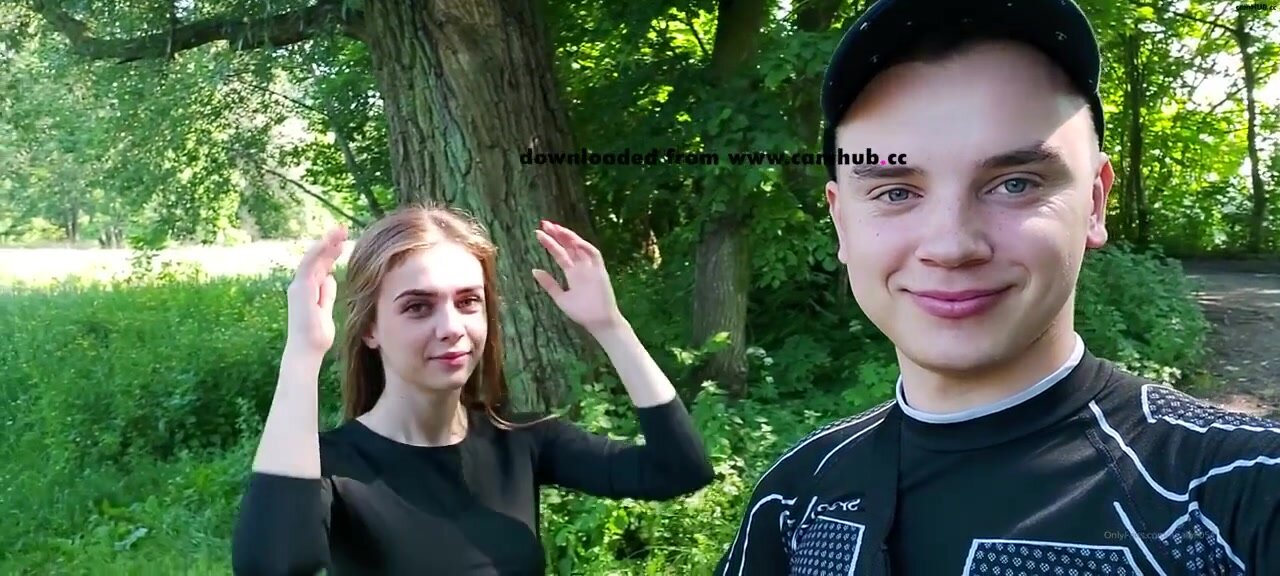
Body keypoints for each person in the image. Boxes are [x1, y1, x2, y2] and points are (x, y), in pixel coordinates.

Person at [715, 0, 1280, 574]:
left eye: (1014, 184)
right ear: (842, 222)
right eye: (895, 192)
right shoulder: (792, 500)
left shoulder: (1238, 493)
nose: (951, 245)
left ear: (1094, 203)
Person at [231, 205, 715, 575]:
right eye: (418, 307)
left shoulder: (523, 440)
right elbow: (271, 566)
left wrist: (610, 325)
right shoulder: (332, 468)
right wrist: (303, 352)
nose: (451, 328)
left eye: (468, 302)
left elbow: (679, 469)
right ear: (370, 328)